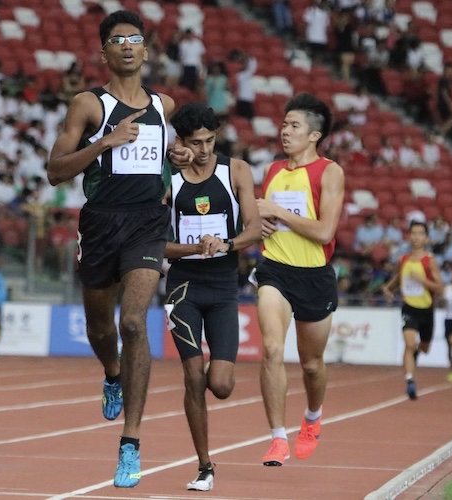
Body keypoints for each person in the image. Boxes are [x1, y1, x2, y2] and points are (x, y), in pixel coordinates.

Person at [46, 10, 193, 488]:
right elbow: (55, 170)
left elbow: (168, 159)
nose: (127, 45)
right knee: (99, 326)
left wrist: (181, 157)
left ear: (146, 50)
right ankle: (111, 372)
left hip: (148, 224)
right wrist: (106, 141)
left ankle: (130, 443)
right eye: (117, 39)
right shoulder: (88, 104)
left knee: (133, 321)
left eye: (135, 39)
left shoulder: (164, 105)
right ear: (104, 51)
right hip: (101, 224)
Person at [164, 102, 261, 490]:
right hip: (183, 286)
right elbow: (155, 243)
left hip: (222, 288)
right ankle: (204, 465)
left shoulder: (236, 170)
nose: (204, 149)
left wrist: (225, 244)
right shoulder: (167, 178)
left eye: (209, 141)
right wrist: (195, 248)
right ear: (180, 142)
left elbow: (255, 229)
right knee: (192, 376)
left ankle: (204, 402)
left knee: (219, 384)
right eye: (195, 142)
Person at [252, 93, 345, 467]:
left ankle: (312, 416)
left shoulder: (330, 171)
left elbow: (324, 232)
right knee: (272, 350)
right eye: (284, 124)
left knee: (311, 364)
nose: (284, 131)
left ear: (313, 135)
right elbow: (264, 221)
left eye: (294, 126)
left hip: (314, 276)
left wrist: (277, 212)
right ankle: (277, 437)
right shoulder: (272, 171)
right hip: (274, 270)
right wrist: (261, 223)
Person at [382, 222, 444, 399]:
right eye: (413, 233)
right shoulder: (403, 260)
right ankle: (409, 380)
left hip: (426, 310)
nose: (416, 237)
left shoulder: (430, 262)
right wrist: (387, 288)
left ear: (426, 238)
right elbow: (399, 277)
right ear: (409, 236)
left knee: (424, 348)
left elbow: (440, 289)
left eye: (420, 234)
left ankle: (416, 354)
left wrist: (422, 281)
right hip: (408, 307)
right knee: (409, 344)